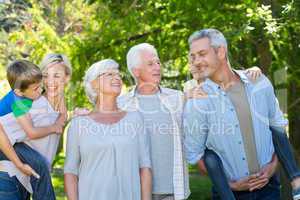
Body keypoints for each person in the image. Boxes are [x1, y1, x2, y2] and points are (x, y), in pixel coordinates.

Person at [183, 29, 300, 200]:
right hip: (228, 194)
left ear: (221, 51)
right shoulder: (197, 100)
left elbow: (277, 128)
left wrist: (273, 166)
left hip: (270, 190)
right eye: (193, 56)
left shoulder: (258, 83)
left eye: (202, 54)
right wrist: (231, 185)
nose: (197, 61)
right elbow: (196, 154)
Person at [64, 59, 152, 200]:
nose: (117, 77)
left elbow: (145, 168)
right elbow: (70, 172)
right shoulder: (78, 125)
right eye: (109, 74)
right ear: (94, 83)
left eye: (118, 74)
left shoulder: (135, 119)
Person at [118, 43, 190, 200]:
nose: (157, 67)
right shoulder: (121, 104)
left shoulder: (177, 98)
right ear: (136, 71)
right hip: (135, 191)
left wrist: (249, 73)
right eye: (150, 64)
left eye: (158, 62)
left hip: (172, 191)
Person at [0, 54, 71, 200]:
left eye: (56, 75)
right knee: (40, 165)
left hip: (24, 177)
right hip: (9, 171)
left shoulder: (32, 95)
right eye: (46, 75)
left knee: (40, 165)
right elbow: (31, 132)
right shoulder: (22, 101)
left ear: (67, 77)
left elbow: (62, 116)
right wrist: (54, 127)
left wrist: (69, 117)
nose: (50, 81)